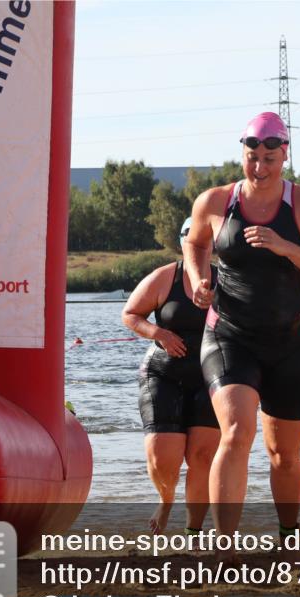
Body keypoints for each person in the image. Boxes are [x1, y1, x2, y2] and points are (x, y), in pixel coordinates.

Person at [183, 111, 300, 559]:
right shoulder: (216, 201)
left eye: (269, 159)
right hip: (230, 336)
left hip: (292, 343)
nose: (259, 168)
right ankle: (224, 547)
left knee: (283, 456)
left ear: (284, 156)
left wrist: (285, 246)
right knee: (236, 432)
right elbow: (195, 242)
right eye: (252, 158)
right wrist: (198, 278)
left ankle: (288, 534)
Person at [122, 218, 220, 535]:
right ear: (182, 242)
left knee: (202, 457)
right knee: (163, 458)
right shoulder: (166, 277)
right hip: (163, 374)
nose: (198, 243)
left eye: (205, 237)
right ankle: (166, 500)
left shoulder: (226, 280)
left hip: (211, 375)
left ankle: (194, 532)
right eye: (191, 237)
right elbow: (130, 314)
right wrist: (159, 333)